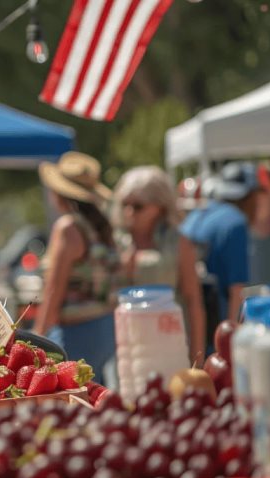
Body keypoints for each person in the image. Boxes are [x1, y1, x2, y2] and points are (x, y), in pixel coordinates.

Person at [33, 152, 119, 383]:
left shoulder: (68, 228)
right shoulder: (100, 227)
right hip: (105, 327)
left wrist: (38, 337)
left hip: (75, 332)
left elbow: (54, 289)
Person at [112, 166, 207, 365]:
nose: (129, 212)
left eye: (138, 206)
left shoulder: (179, 242)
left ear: (160, 206)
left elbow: (193, 301)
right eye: (125, 204)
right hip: (126, 345)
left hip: (169, 340)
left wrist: (198, 358)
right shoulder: (114, 241)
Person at [181, 161, 262, 328]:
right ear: (251, 196)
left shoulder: (197, 214)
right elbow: (236, 291)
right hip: (213, 327)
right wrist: (229, 344)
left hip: (185, 320)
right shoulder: (236, 223)